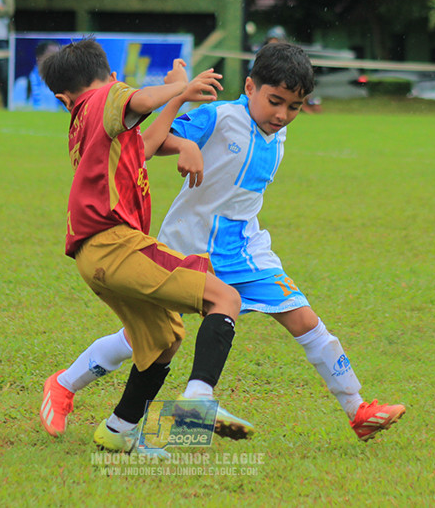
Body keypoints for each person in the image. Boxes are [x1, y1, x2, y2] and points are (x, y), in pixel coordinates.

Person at [41, 42, 405, 443]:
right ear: (249, 87)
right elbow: (150, 143)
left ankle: (358, 410)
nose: (282, 115)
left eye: (295, 107)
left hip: (246, 250)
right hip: (189, 245)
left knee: (306, 321)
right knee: (147, 337)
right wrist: (186, 142)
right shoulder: (220, 116)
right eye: (275, 101)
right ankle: (67, 384)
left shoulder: (276, 134)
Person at [38, 37, 254, 456]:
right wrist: (180, 87)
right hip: (116, 244)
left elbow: (147, 145)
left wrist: (178, 102)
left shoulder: (94, 127)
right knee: (224, 297)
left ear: (64, 99)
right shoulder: (107, 97)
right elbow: (142, 98)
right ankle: (198, 399)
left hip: (94, 256)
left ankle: (118, 430)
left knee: (164, 338)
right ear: (114, 78)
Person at [28, 40, 64, 111]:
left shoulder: (66, 84)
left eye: (59, 55)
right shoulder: (23, 84)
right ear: (39, 58)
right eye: (52, 55)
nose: (57, 60)